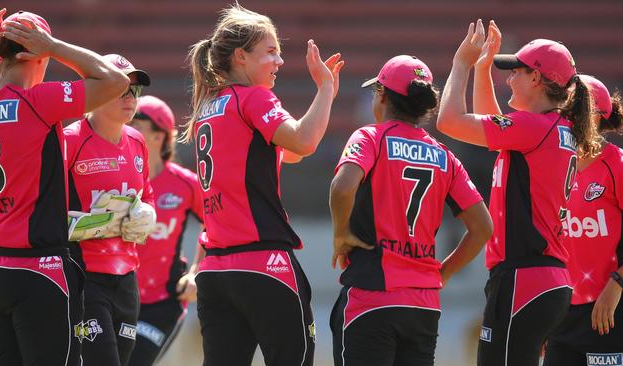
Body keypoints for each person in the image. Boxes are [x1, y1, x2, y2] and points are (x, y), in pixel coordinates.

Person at [181, 4, 343, 366]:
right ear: (241, 57)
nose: (280, 61)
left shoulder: (210, 106)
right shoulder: (252, 97)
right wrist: (326, 89)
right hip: (264, 264)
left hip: (216, 272)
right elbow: (303, 142)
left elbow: (290, 152)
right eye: (271, 51)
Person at [435, 20, 602, 366]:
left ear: (537, 79)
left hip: (524, 280)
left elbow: (448, 121)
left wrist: (461, 63)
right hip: (547, 279)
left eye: (516, 72)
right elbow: (496, 130)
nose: (509, 78)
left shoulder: (534, 127)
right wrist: (483, 70)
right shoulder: (554, 128)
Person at [328, 55, 493, 366]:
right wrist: (441, 273)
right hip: (423, 306)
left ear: (382, 96)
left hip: (371, 296)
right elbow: (482, 227)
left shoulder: (370, 137)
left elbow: (342, 187)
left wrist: (341, 234)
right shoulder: (444, 155)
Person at [0, 9, 128, 366]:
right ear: (35, 54)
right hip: (39, 270)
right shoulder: (39, 102)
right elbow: (115, 81)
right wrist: (53, 45)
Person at [64, 54, 156, 366]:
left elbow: (147, 195)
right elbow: (45, 202)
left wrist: (146, 214)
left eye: (133, 90)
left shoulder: (137, 141)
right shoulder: (69, 140)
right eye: (119, 89)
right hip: (83, 276)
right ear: (95, 91)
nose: (129, 98)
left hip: (127, 276)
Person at [543, 75, 623, 365]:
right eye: (559, 112)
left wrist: (616, 285)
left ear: (595, 118)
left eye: (570, 112)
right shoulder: (549, 166)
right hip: (561, 314)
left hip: (611, 311)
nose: (561, 120)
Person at [127, 95, 205, 366]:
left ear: (160, 135)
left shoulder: (185, 184)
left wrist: (197, 273)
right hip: (114, 297)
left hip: (162, 303)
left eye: (136, 123)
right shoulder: (113, 174)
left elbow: (217, 223)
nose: (126, 128)